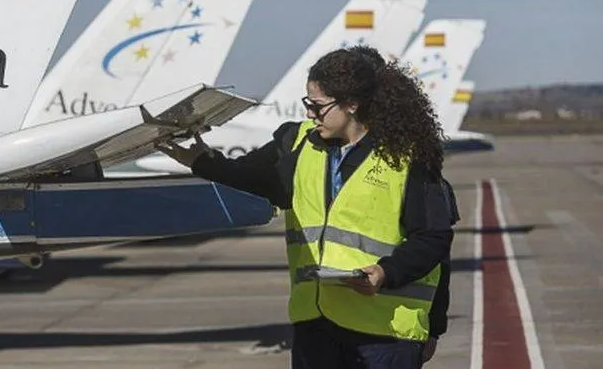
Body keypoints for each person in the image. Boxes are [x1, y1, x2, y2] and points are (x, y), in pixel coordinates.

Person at [158, 45, 456, 369]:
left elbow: (433, 240)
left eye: (317, 106)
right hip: (316, 326)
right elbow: (250, 176)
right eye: (307, 104)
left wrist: (388, 275)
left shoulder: (405, 158)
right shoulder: (298, 143)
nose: (309, 114)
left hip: (384, 333)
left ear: (352, 104)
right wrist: (203, 162)